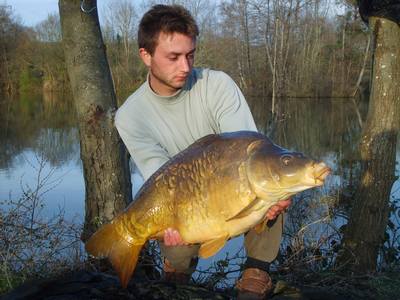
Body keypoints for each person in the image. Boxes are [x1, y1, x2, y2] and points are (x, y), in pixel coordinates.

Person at [115, 4, 291, 299]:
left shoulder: (217, 85)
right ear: (146, 56)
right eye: (173, 57)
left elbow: (250, 151)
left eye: (190, 55)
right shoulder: (130, 116)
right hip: (184, 201)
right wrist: (166, 224)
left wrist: (268, 198)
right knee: (174, 240)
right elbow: (161, 181)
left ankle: (256, 272)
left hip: (234, 187)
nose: (185, 66)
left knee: (272, 180)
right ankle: (176, 270)